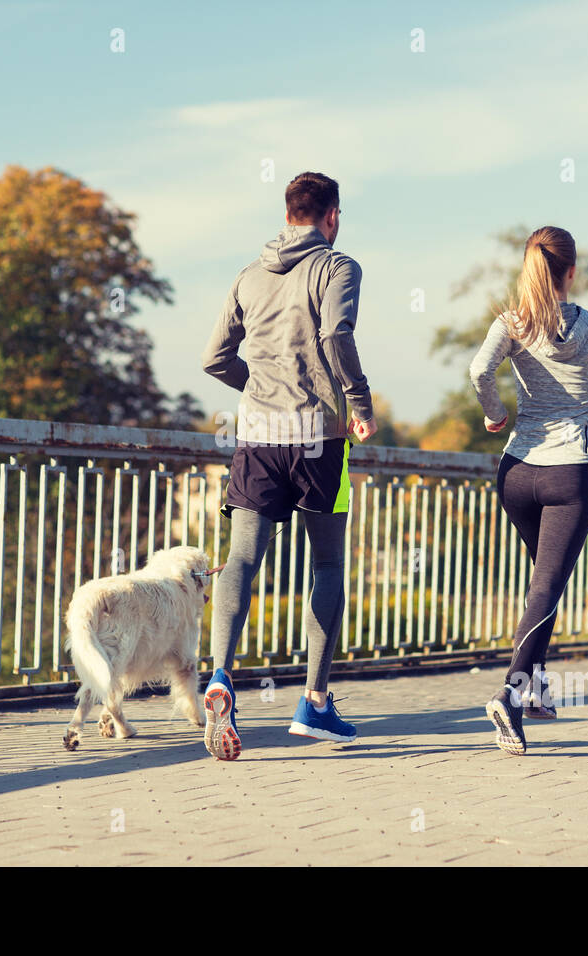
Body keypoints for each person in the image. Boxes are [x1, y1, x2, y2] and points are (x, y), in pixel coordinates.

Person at [198, 171, 376, 761]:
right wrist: (359, 403)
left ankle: (221, 676)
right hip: (318, 439)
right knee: (327, 564)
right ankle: (315, 704)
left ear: (286, 213)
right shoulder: (336, 266)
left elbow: (213, 357)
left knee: (242, 559)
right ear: (331, 215)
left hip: (256, 438)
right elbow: (336, 335)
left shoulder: (248, 274)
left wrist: (258, 388)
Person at [469, 225, 588, 756]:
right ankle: (511, 695)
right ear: (572, 272)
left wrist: (496, 415)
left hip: (516, 472)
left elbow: (479, 369)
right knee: (547, 588)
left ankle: (534, 690)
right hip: (569, 473)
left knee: (543, 584)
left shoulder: (512, 323)